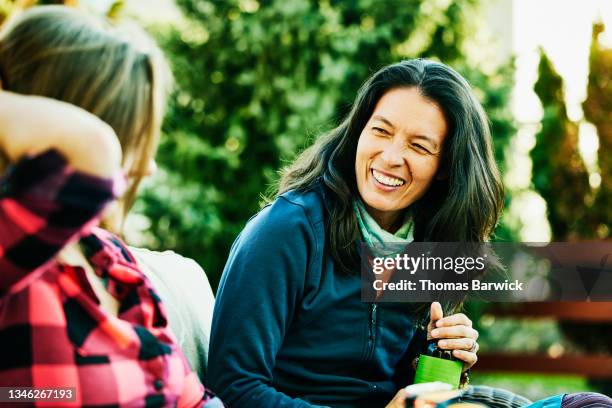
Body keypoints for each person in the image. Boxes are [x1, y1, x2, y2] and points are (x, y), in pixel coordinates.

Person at [207, 59, 503, 407]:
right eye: (381, 130)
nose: (391, 156)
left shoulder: (431, 248)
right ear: (359, 130)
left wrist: (441, 360)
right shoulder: (288, 231)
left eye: (419, 146)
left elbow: (397, 389)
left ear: (446, 167)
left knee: (580, 403)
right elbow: (232, 387)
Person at [0, 6, 221, 406]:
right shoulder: (12, 265)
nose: (148, 168)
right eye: (132, 141)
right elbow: (93, 151)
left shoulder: (113, 261)